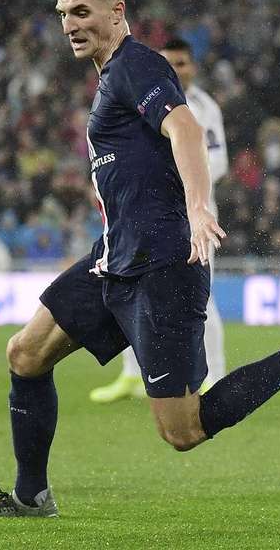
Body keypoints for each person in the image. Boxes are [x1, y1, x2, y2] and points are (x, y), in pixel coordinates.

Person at [0, 0, 280, 518]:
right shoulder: (110, 76)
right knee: (25, 353)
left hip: (163, 264)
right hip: (115, 256)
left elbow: (184, 128)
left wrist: (197, 207)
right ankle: (30, 496)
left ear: (117, 12)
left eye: (82, 12)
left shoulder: (136, 65)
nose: (70, 24)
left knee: (183, 431)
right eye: (64, 15)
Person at [88, 37, 229, 402]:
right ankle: (133, 375)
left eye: (183, 63)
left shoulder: (202, 107)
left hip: (192, 215)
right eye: (171, 64)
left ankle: (215, 376)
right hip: (144, 213)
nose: (177, 70)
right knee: (128, 292)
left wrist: (178, 173)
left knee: (200, 298)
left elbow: (217, 159)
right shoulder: (142, 92)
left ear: (193, 66)